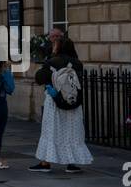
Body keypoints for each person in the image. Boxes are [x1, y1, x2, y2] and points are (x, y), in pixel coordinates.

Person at [31, 36, 93, 173]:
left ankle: (45, 162)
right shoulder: (78, 63)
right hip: (72, 102)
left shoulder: (52, 61)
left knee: (51, 131)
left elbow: (39, 78)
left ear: (58, 47)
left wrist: (51, 58)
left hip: (54, 102)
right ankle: (72, 163)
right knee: (72, 132)